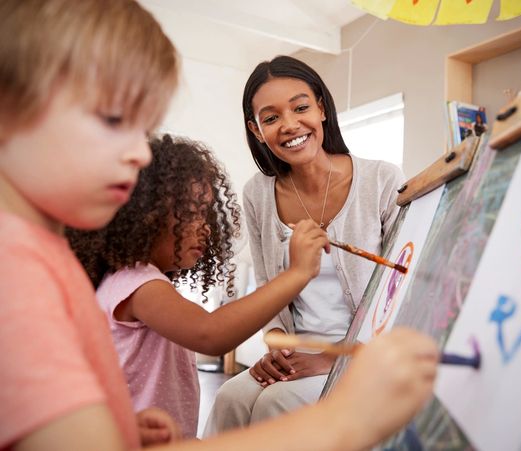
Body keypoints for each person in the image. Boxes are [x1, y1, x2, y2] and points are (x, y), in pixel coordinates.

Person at [0, 1, 438, 449]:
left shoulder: (45, 259)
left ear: (322, 108)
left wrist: (115, 427)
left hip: (348, 353)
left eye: (143, 127)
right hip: (303, 359)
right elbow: (223, 326)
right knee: (237, 397)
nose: (140, 155)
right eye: (113, 119)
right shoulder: (20, 276)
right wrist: (346, 421)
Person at [67, 134, 329, 438]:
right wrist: (297, 273)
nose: (206, 226)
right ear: (147, 217)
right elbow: (210, 333)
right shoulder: (137, 285)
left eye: (207, 213)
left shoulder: (137, 282)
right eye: (192, 213)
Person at [204, 55, 406, 435]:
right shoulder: (257, 194)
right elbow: (269, 290)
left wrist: (333, 360)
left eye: (300, 107)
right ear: (257, 129)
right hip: (297, 353)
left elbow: (399, 293)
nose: (290, 125)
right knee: (231, 397)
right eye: (271, 117)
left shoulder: (381, 180)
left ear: (322, 109)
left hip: (362, 355)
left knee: (276, 403)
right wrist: (276, 351)